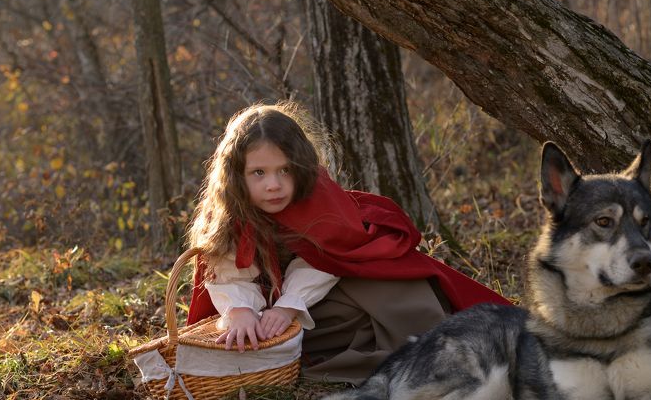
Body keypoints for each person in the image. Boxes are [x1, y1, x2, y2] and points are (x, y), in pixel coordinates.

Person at [186, 101, 510, 383]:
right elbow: (226, 266)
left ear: (300, 166)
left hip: (318, 292)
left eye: (284, 170)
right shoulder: (231, 211)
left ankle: (447, 352)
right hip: (271, 307)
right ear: (236, 175)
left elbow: (328, 256)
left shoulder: (315, 197)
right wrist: (241, 310)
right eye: (259, 173)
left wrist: (288, 307)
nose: (274, 185)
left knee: (395, 295)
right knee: (260, 335)